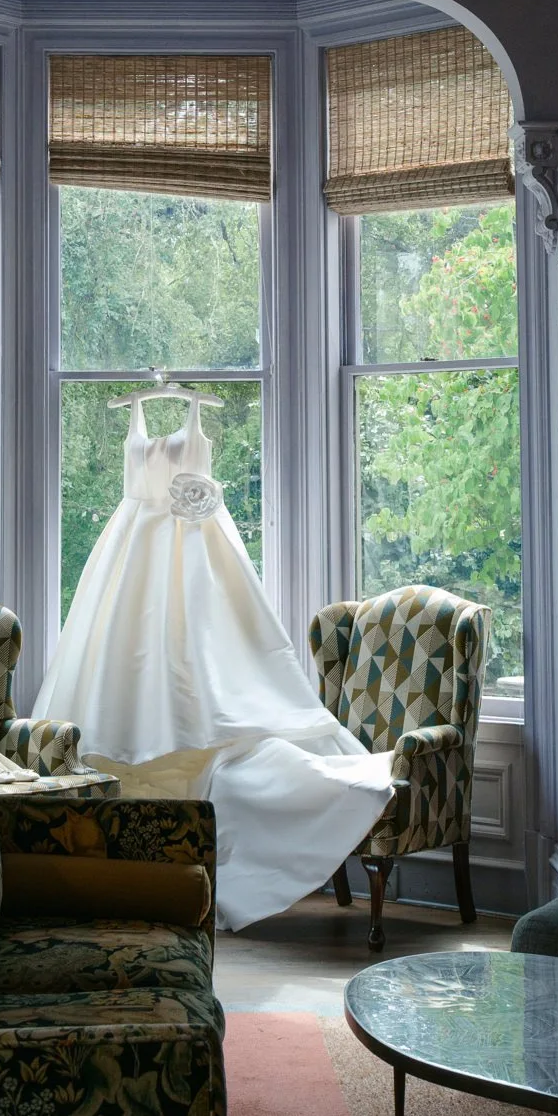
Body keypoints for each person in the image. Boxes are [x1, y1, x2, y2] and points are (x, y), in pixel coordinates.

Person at [33, 390, 395, 931]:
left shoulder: (198, 412)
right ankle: (132, 854)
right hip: (130, 551)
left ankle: (194, 841)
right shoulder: (130, 412)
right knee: (121, 664)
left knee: (198, 652)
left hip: (196, 550)